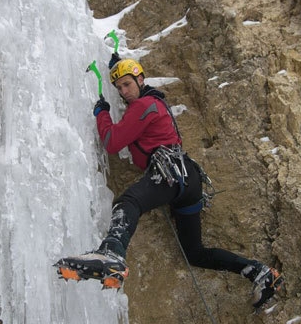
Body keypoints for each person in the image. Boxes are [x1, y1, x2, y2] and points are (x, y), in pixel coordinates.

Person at [56, 56, 283, 307]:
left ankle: (111, 253)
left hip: (169, 172)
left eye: (127, 85)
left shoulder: (143, 105)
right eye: (119, 87)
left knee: (128, 202)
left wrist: (103, 114)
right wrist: (117, 67)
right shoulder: (156, 102)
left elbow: (112, 141)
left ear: (141, 80)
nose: (123, 91)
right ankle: (258, 272)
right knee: (195, 253)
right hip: (188, 178)